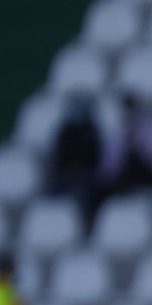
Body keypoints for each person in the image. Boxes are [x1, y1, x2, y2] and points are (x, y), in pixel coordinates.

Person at [89, 93, 152, 228]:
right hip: (124, 176)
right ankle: (94, 226)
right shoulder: (120, 130)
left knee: (133, 158)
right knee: (97, 188)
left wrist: (136, 145)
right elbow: (111, 161)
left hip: (148, 173)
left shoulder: (150, 127)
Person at [46, 94, 103, 229]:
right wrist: (69, 166)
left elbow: (95, 156)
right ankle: (52, 227)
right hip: (66, 171)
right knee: (52, 193)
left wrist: (80, 166)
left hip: (87, 173)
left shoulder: (92, 132)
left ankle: (86, 225)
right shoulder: (65, 132)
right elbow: (60, 155)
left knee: (88, 193)